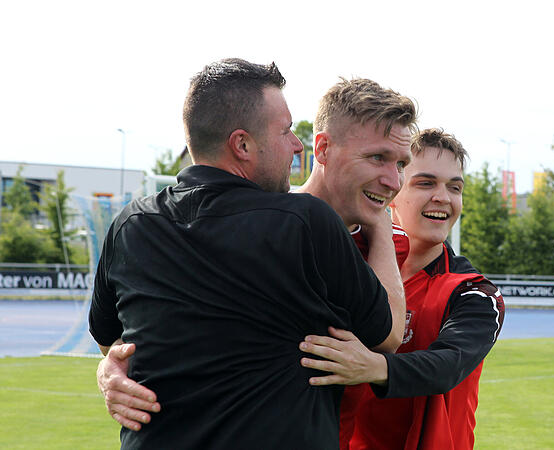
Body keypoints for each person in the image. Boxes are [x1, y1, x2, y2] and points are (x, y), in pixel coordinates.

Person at [89, 59, 406, 449]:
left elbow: (111, 342)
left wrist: (110, 370)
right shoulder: (304, 223)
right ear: (242, 145)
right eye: (286, 131)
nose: (297, 144)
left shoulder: (131, 225)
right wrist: (381, 225)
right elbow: (389, 334)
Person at [299, 129, 506, 450]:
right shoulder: (345, 260)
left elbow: (449, 364)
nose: (443, 197)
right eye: (425, 183)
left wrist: (373, 366)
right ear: (392, 187)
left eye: (455, 187)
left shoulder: (474, 292)